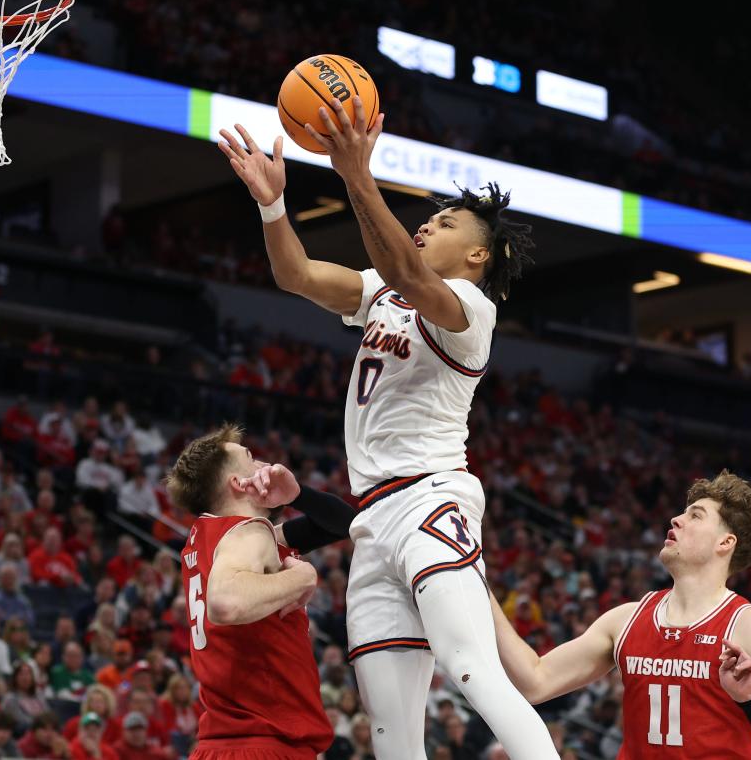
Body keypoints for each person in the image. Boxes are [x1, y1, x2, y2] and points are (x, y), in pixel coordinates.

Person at [220, 94, 550, 760]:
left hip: (432, 500)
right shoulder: (383, 291)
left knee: (472, 670)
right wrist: (273, 206)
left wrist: (355, 173)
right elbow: (297, 274)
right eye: (432, 216)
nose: (431, 224)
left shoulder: (468, 309)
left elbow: (403, 265)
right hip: (371, 522)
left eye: (448, 222)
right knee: (390, 731)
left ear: (479, 257)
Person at [490, 471, 751, 759]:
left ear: (725, 543)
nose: (676, 520)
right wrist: (475, 582)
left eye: (695, 516)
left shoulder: (750, 627)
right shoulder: (626, 619)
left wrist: (748, 701)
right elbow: (535, 682)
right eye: (682, 513)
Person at [166, 424, 356, 758]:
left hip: (226, 743)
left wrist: (298, 496)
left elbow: (345, 524)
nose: (264, 466)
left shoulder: (215, 537)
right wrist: (303, 577)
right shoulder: (248, 534)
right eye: (251, 459)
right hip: (263, 741)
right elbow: (226, 603)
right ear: (238, 484)